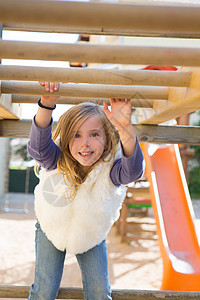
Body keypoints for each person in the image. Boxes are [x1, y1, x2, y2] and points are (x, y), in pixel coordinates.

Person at [28, 81, 144, 300]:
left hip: (91, 232)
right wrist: (46, 105)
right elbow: (38, 148)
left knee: (99, 292)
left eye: (94, 135)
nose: (85, 144)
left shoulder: (111, 167)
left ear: (107, 137)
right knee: (44, 290)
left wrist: (125, 128)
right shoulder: (56, 159)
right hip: (51, 227)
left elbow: (133, 172)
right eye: (76, 135)